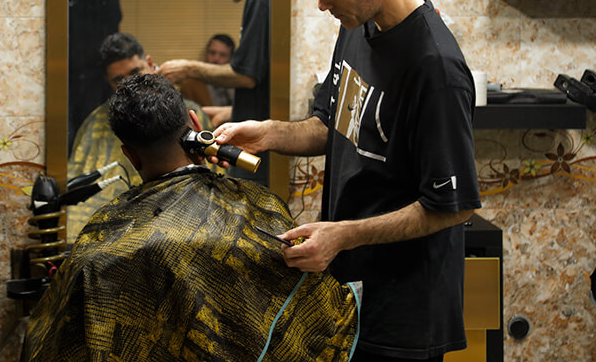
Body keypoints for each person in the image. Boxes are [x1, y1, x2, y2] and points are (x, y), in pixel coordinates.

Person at [213, 0, 482, 361]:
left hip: (406, 312)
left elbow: (452, 208)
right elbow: (330, 125)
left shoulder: (435, 70)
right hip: (351, 290)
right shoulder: (359, 22)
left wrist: (343, 235)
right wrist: (268, 134)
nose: (322, 5)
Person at [23, 74, 359, 362]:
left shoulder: (101, 250)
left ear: (130, 156)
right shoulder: (264, 209)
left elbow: (49, 344)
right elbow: (323, 321)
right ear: (197, 125)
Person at [65, 32, 211, 240]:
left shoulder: (187, 113)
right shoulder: (95, 124)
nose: (129, 84)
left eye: (136, 72)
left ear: (150, 64)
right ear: (108, 82)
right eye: (118, 79)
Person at [158, 0, 272, 185]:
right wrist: (231, 111)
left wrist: (188, 69)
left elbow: (247, 76)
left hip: (256, 145)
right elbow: (262, 78)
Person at [67, 0, 122, 152]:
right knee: (67, 133)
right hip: (66, 74)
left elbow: (115, 19)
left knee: (92, 131)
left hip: (94, 76)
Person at [180, 33, 236, 121]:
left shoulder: (239, 85)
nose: (216, 59)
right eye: (212, 53)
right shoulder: (191, 86)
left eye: (222, 55)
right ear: (206, 54)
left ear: (231, 59)